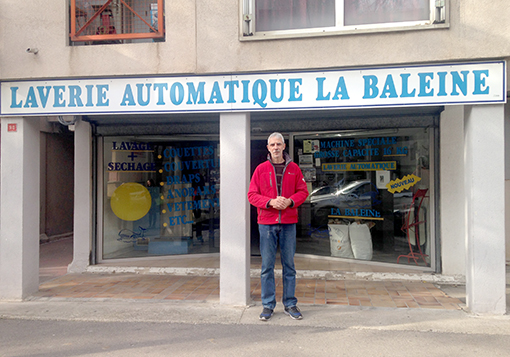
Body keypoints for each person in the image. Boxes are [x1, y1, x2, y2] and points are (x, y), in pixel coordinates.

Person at [248, 132, 309, 321]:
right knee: (267, 266)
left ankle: (290, 304)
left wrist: (290, 201)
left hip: (289, 223)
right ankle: (268, 305)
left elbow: (303, 191)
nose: (275, 147)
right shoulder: (260, 169)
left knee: (289, 265)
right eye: (272, 144)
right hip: (267, 223)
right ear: (268, 148)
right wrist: (270, 202)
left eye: (278, 144)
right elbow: (252, 195)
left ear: (284, 146)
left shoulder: (294, 169)